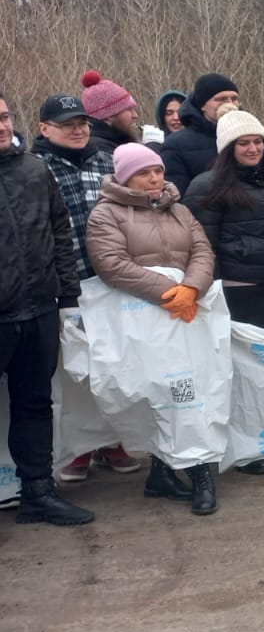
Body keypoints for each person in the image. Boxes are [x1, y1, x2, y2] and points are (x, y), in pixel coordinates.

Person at [85, 143, 220, 515]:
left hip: (187, 314)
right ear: (126, 176)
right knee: (162, 392)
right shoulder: (106, 215)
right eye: (145, 173)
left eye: (158, 171)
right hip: (140, 318)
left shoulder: (179, 210)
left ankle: (183, 471)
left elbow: (202, 251)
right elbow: (110, 263)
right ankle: (185, 470)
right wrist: (167, 292)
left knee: (190, 390)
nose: (155, 178)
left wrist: (192, 287)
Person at [186, 110, 264, 475]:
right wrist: (211, 290)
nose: (253, 148)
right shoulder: (207, 186)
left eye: (258, 141)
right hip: (241, 290)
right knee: (245, 374)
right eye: (244, 143)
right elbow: (203, 246)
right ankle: (249, 447)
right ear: (229, 148)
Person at [32, 92, 140, 483]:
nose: (77, 130)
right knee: (73, 373)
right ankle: (79, 448)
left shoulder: (105, 161)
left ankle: (113, 441)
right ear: (44, 129)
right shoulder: (35, 167)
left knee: (112, 367)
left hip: (110, 281)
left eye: (81, 123)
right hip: (63, 284)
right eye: (66, 125)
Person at [0, 90, 95, 526]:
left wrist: (67, 298)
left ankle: (38, 491)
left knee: (35, 404)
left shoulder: (34, 170)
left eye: (3, 117)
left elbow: (61, 232)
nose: (2, 127)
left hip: (37, 308)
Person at [160, 73, 241, 197]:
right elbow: (177, 196)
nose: (230, 104)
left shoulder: (249, 136)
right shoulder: (176, 145)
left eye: (234, 98)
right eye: (221, 99)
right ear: (202, 105)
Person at [80, 71, 141, 158]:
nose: (135, 115)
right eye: (129, 109)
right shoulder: (100, 148)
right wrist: (153, 145)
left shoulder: (113, 141)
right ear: (109, 116)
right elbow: (138, 170)